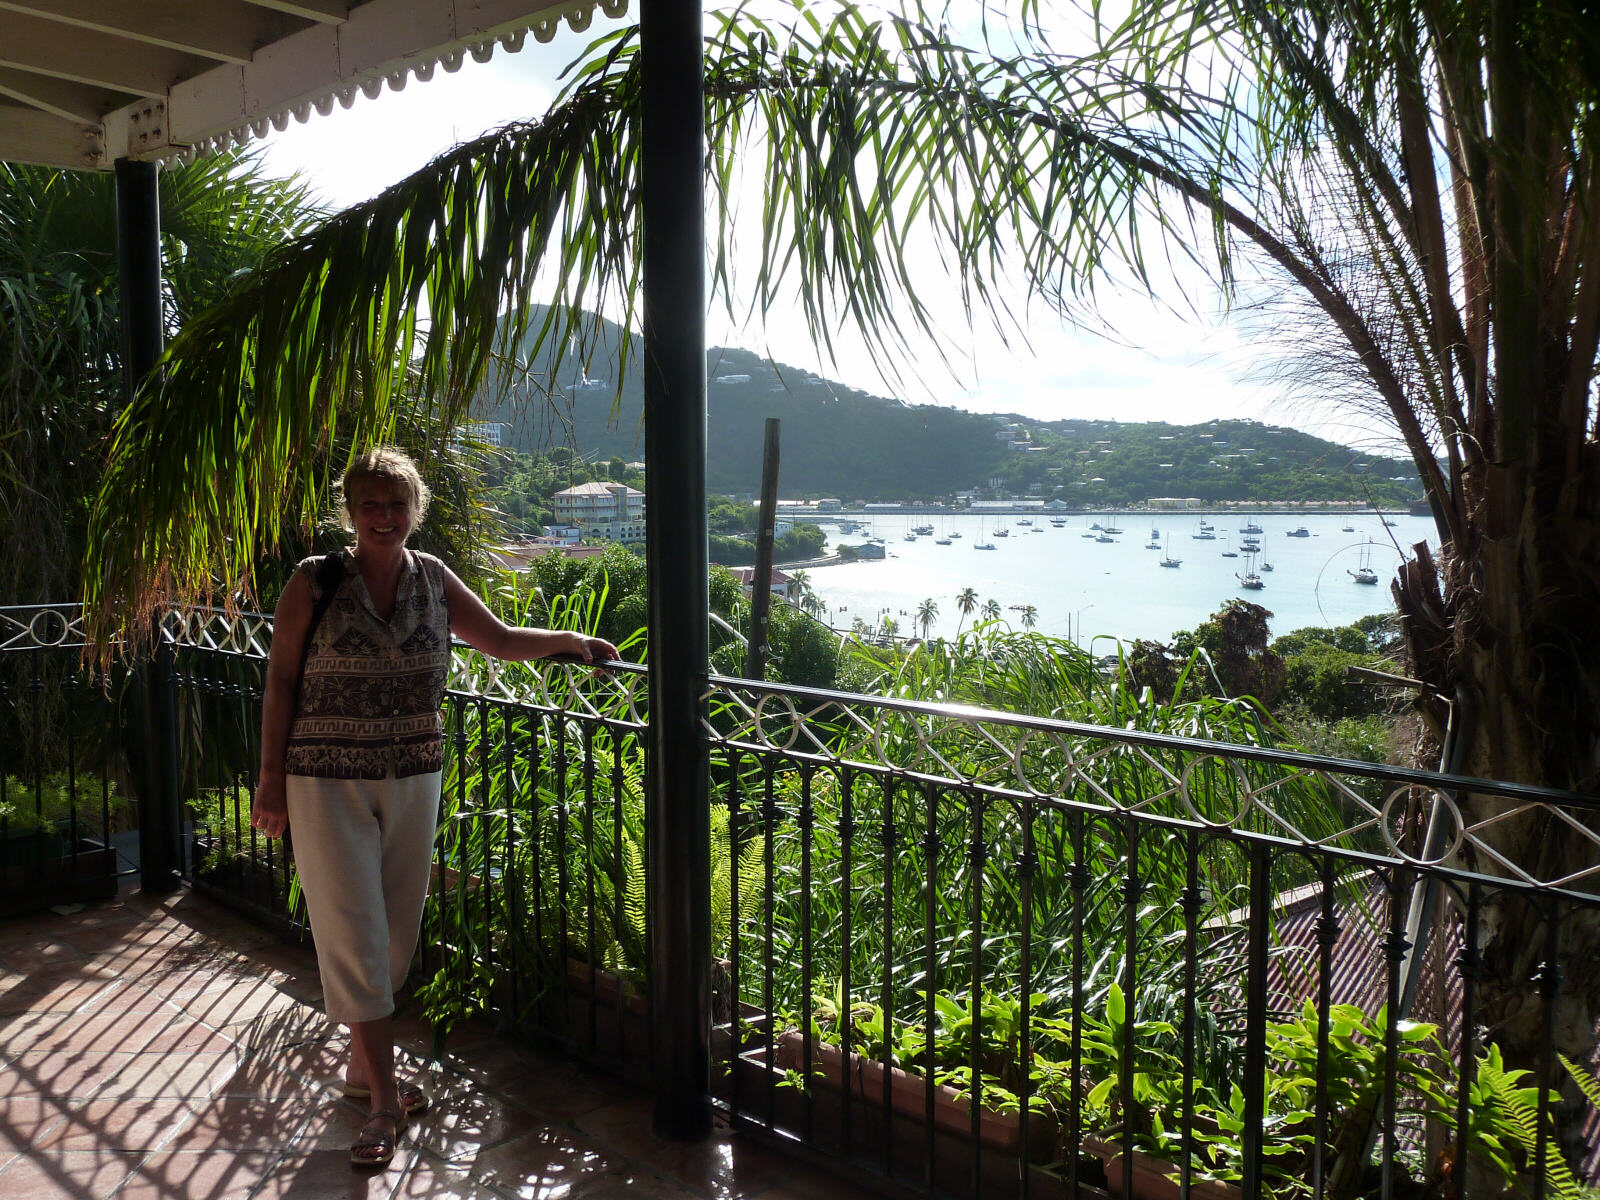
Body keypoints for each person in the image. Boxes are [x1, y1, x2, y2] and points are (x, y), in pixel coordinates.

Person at [251, 447, 618, 1168]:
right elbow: (280, 684)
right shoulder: (314, 582)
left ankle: (362, 1073)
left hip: (415, 775)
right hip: (324, 780)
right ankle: (386, 1104)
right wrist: (269, 780)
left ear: (414, 511)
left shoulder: (435, 581)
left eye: (396, 505)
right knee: (355, 933)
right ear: (351, 513)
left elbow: (503, 642)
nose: (384, 518)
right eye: (370, 506)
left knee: (395, 933)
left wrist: (574, 644)